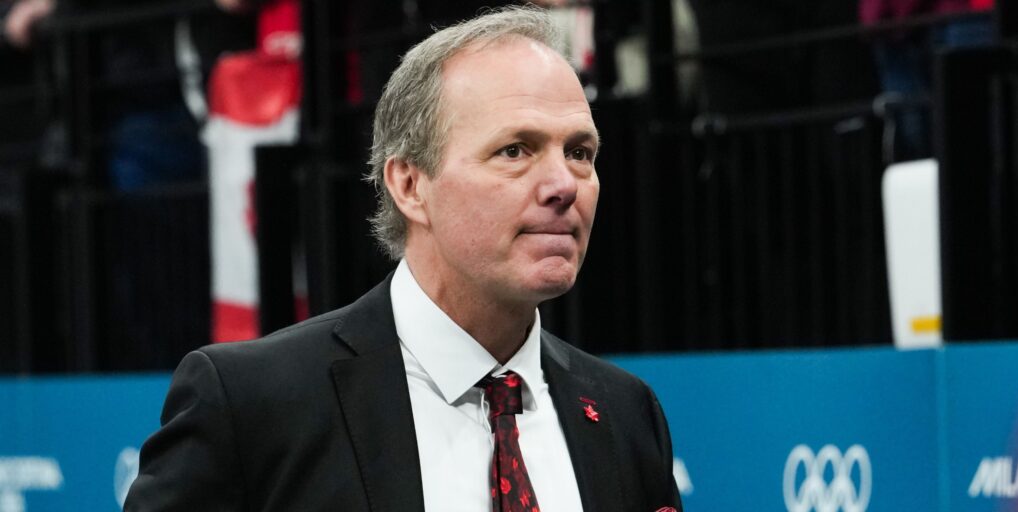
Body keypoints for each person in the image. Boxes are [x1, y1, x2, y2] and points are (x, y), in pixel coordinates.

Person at [124, 6, 683, 512]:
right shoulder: (251, 403)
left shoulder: (627, 413)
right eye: (515, 150)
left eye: (580, 152)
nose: (564, 184)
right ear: (410, 185)